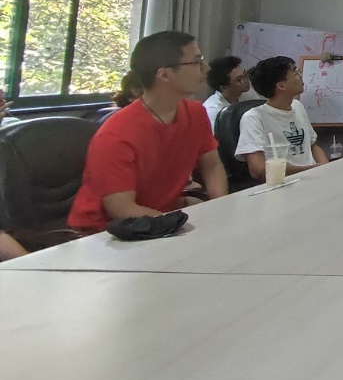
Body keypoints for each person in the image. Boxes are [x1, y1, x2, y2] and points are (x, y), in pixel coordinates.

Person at [68, 31, 227, 234]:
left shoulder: (195, 113)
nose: (206, 68)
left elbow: (212, 166)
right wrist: (183, 228)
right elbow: (122, 209)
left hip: (158, 219)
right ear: (164, 74)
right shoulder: (116, 134)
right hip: (104, 233)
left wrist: (220, 209)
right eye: (197, 62)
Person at [235, 57, 328, 182]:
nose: (300, 75)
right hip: (285, 183)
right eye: (295, 72)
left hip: (313, 179)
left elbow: (312, 145)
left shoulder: (297, 106)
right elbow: (258, 170)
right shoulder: (253, 118)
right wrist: (309, 171)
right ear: (281, 86)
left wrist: (326, 169)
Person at [203, 55, 251, 128]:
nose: (246, 80)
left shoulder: (246, 94)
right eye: (239, 79)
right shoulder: (214, 111)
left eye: (245, 74)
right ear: (224, 88)